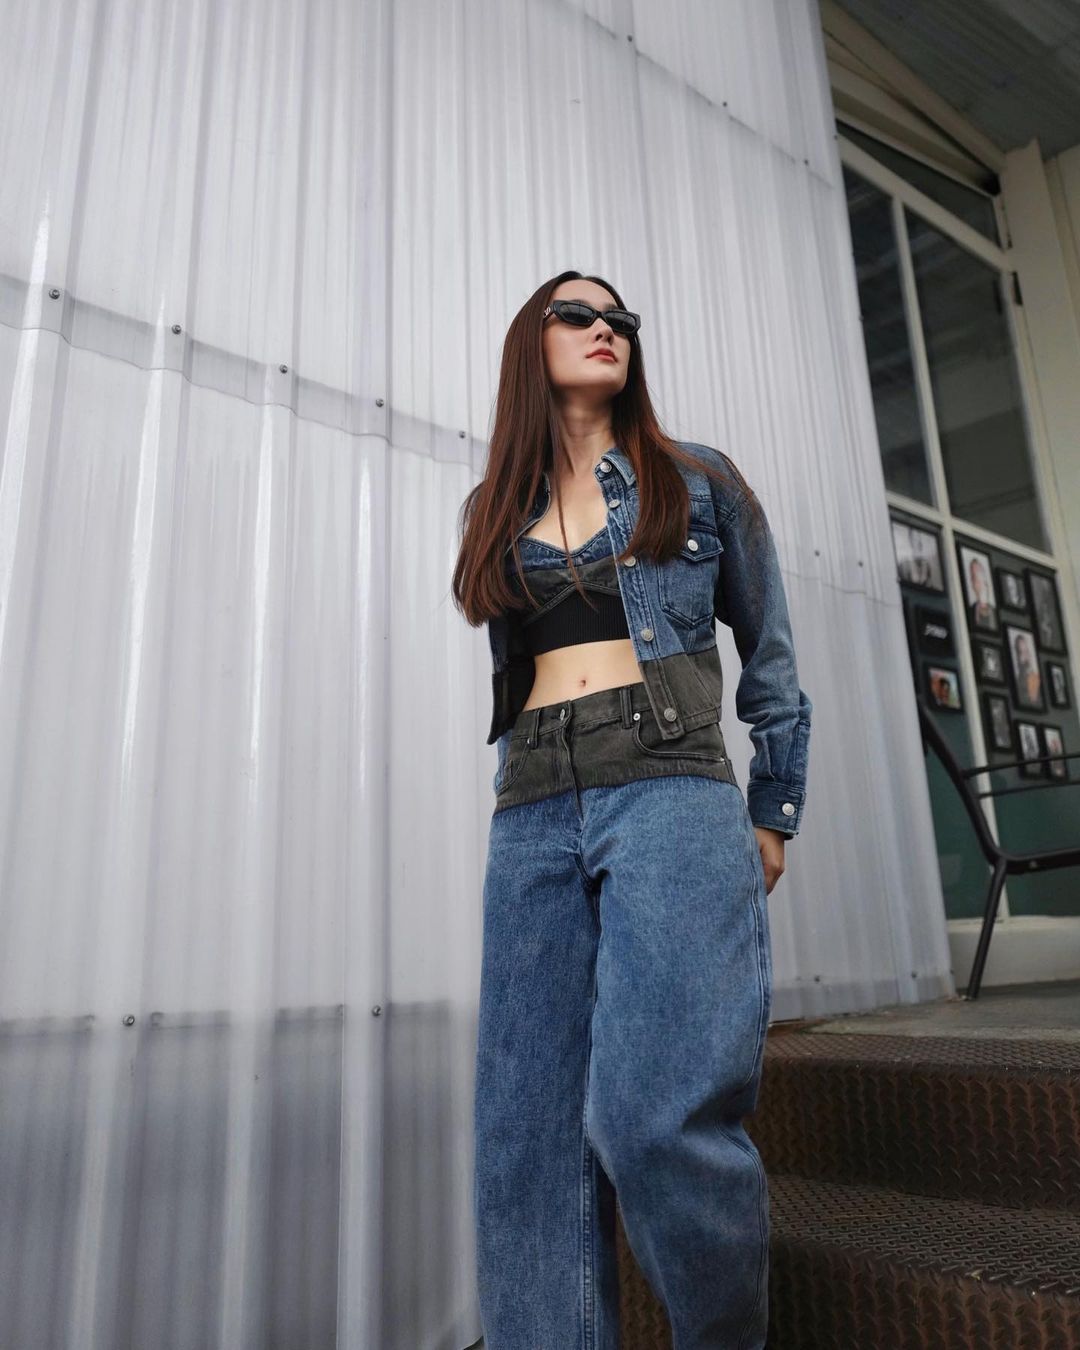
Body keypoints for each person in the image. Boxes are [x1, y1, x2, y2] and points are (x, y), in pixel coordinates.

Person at [451, 269, 812, 1349]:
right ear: (532, 342)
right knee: (524, 1144)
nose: (605, 328)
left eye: (619, 319)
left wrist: (774, 805)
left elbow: (770, 654)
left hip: (668, 787)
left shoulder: (697, 481)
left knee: (652, 1120)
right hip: (532, 807)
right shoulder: (495, 509)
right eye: (579, 313)